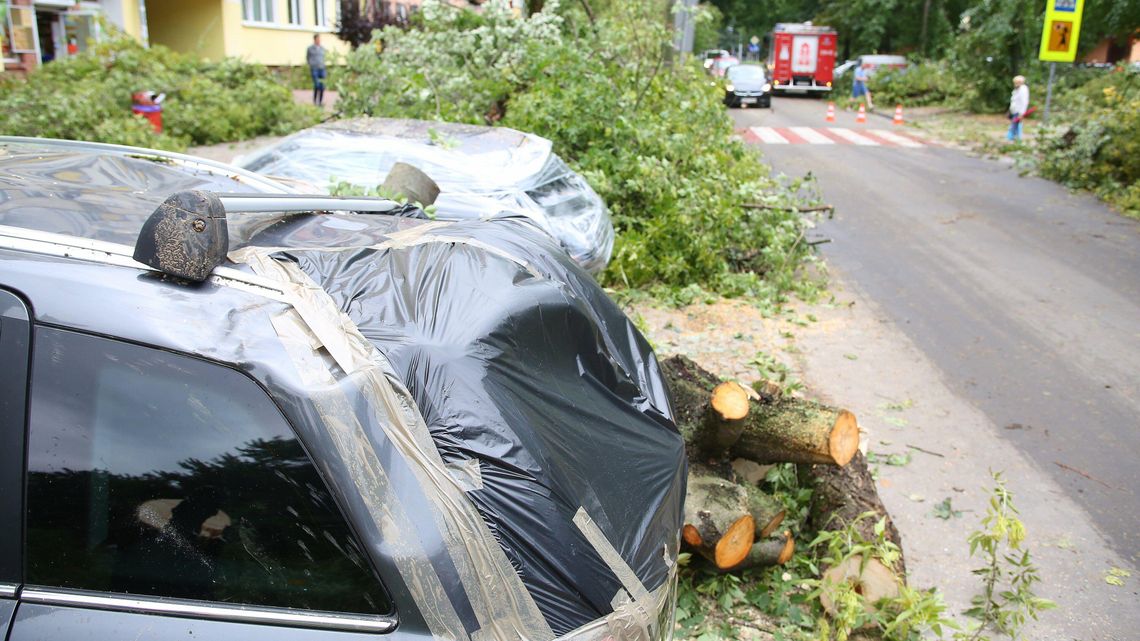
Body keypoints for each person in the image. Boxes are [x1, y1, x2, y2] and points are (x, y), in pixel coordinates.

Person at [1007, 75, 1030, 142]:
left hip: (1019, 111)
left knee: (1016, 125)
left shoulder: (1023, 89)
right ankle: (1014, 138)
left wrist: (1021, 113)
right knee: (1014, 125)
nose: (1015, 84)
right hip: (1014, 111)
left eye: (1016, 82)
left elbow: (1024, 102)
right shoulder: (1017, 89)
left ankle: (1015, 138)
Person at [306, 34, 327, 107]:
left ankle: (320, 102)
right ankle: (315, 101)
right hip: (314, 69)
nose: (319, 40)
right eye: (318, 39)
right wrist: (311, 65)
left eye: (320, 39)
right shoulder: (310, 48)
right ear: (314, 40)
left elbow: (325, 57)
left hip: (322, 69)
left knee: (322, 86)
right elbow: (308, 58)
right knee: (317, 85)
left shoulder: (322, 48)